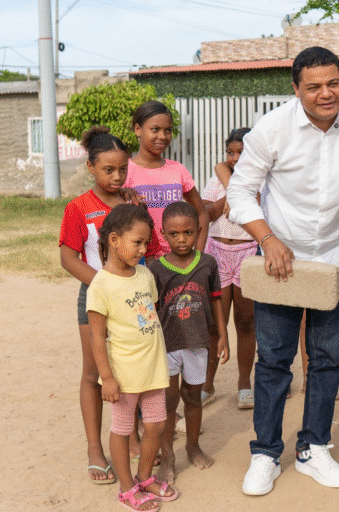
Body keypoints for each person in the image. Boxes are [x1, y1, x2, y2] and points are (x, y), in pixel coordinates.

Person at [227, 46, 339, 496]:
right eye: (314, 86)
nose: (327, 93)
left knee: (327, 360)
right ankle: (265, 453)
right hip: (282, 264)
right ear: (296, 88)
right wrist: (268, 239)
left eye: (334, 83)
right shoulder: (272, 129)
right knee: (275, 361)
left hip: (337, 262)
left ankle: (314, 447)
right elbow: (240, 193)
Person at [59, 126, 159, 484]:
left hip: (137, 300)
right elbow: (68, 259)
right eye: (107, 170)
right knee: (95, 374)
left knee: (132, 372)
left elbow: (154, 248)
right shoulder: (78, 208)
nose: (116, 177)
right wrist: (104, 286)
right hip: (97, 299)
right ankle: (94, 449)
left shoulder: (133, 204)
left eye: (122, 170)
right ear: (91, 167)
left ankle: (130, 438)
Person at [86, 204, 177, 511]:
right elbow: (97, 336)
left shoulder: (144, 274)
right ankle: (127, 489)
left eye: (145, 243)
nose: (143, 248)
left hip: (152, 367)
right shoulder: (100, 286)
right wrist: (107, 378)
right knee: (123, 430)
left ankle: (144, 477)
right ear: (114, 240)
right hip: (123, 374)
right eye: (137, 242)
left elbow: (148, 314)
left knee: (156, 424)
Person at [148, 201, 229, 478]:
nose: (181, 239)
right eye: (174, 234)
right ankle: (168, 455)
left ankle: (193, 447)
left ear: (198, 231)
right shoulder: (156, 269)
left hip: (198, 343)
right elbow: (151, 310)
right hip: (167, 346)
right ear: (162, 233)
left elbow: (217, 300)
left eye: (188, 233)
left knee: (193, 398)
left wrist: (222, 335)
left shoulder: (208, 263)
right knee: (168, 403)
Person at [201, 128, 258, 410]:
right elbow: (208, 213)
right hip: (218, 254)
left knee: (246, 322)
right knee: (215, 325)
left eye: (242, 152)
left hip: (248, 252)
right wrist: (231, 197)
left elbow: (262, 210)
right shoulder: (216, 180)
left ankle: (244, 382)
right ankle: (208, 384)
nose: (235, 158)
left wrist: (243, 193)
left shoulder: (262, 182)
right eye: (230, 153)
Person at [126, 100, 209, 255]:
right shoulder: (125, 171)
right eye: (155, 129)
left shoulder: (178, 170)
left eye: (168, 130)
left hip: (176, 260)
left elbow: (202, 213)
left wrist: (198, 255)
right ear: (138, 129)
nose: (163, 136)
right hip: (140, 260)